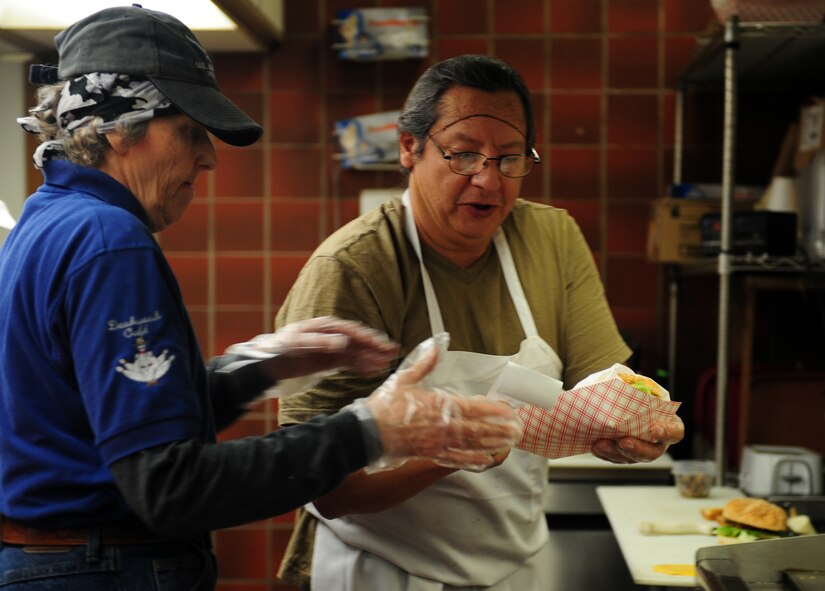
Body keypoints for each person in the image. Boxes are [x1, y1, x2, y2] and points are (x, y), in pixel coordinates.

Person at [0, 10, 524, 591]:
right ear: (121, 127)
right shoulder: (110, 243)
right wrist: (371, 431)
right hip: (101, 571)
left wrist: (258, 366)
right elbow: (170, 487)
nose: (209, 158)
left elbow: (115, 422)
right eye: (191, 131)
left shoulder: (47, 222)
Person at [275, 54, 686, 590]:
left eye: (510, 158)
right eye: (464, 155)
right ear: (409, 148)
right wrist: (450, 452)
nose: (489, 182)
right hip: (382, 570)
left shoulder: (552, 239)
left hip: (514, 569)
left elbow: (608, 382)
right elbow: (320, 485)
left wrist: (636, 423)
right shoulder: (354, 267)